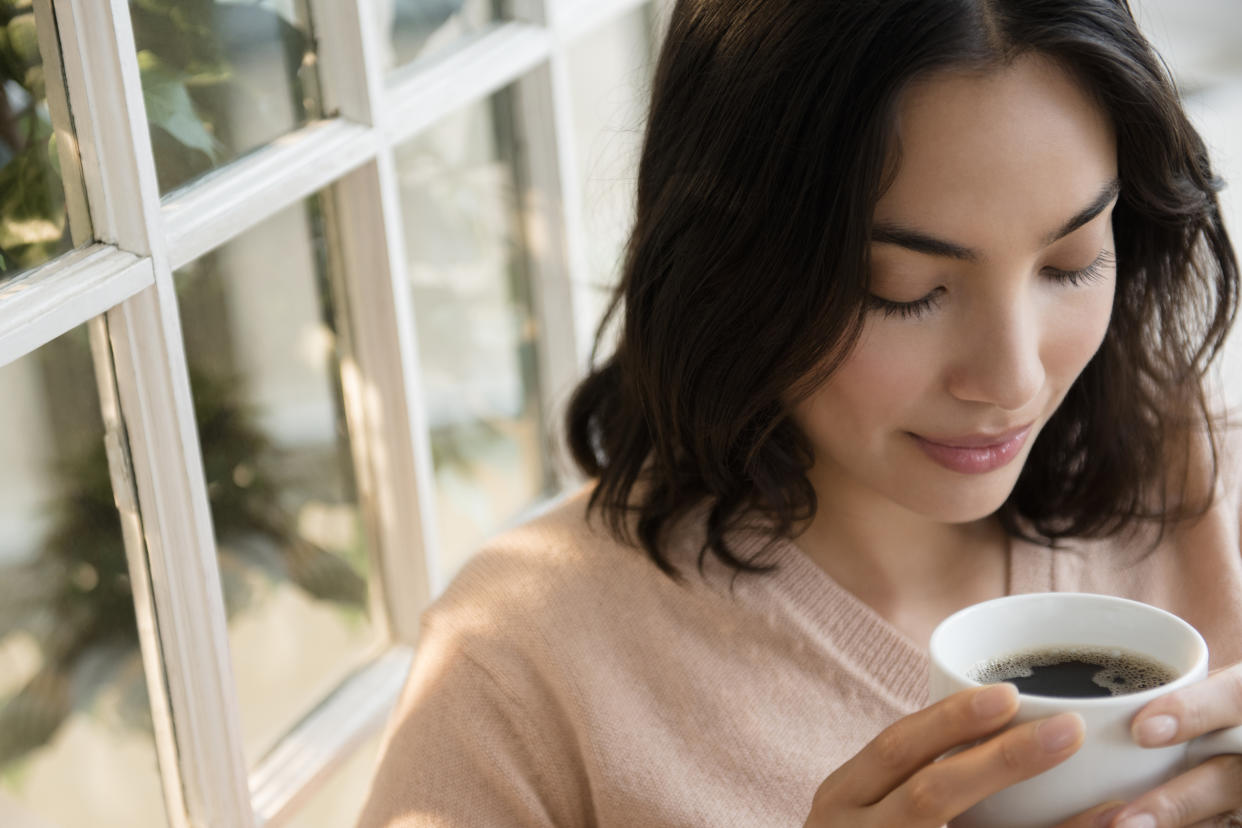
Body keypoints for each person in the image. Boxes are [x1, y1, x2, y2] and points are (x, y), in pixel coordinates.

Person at [357, 1, 1242, 825]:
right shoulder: (523, 672)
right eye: (904, 292)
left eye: (1072, 262)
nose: (1010, 381)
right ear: (734, 265)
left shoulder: (1205, 484)